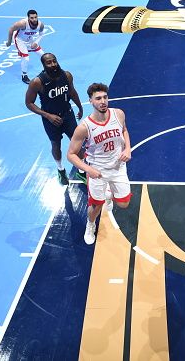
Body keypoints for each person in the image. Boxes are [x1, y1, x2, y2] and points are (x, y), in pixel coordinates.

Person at [66, 82, 132, 245]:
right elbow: (71, 155)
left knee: (124, 204)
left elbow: (124, 130)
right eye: (98, 98)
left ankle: (108, 195)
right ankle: (90, 225)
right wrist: (88, 169)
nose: (102, 101)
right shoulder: (84, 127)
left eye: (105, 97)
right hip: (98, 171)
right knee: (95, 206)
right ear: (91, 101)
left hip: (118, 167)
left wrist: (128, 149)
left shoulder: (118, 114)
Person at [25, 53, 84, 186]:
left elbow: (72, 92)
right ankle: (60, 169)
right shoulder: (37, 82)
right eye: (49, 62)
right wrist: (47, 115)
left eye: (54, 61)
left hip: (68, 114)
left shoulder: (67, 75)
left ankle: (81, 171)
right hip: (51, 119)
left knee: (78, 144)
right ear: (44, 65)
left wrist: (80, 107)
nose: (53, 64)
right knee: (56, 145)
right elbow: (29, 103)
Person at [6, 9, 45, 84]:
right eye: (32, 18)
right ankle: (24, 76)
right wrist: (9, 41)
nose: (34, 19)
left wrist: (36, 42)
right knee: (26, 58)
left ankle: (46, 70)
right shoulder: (22, 24)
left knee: (43, 55)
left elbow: (41, 33)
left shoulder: (41, 25)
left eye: (35, 17)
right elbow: (11, 29)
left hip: (29, 39)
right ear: (28, 18)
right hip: (19, 40)